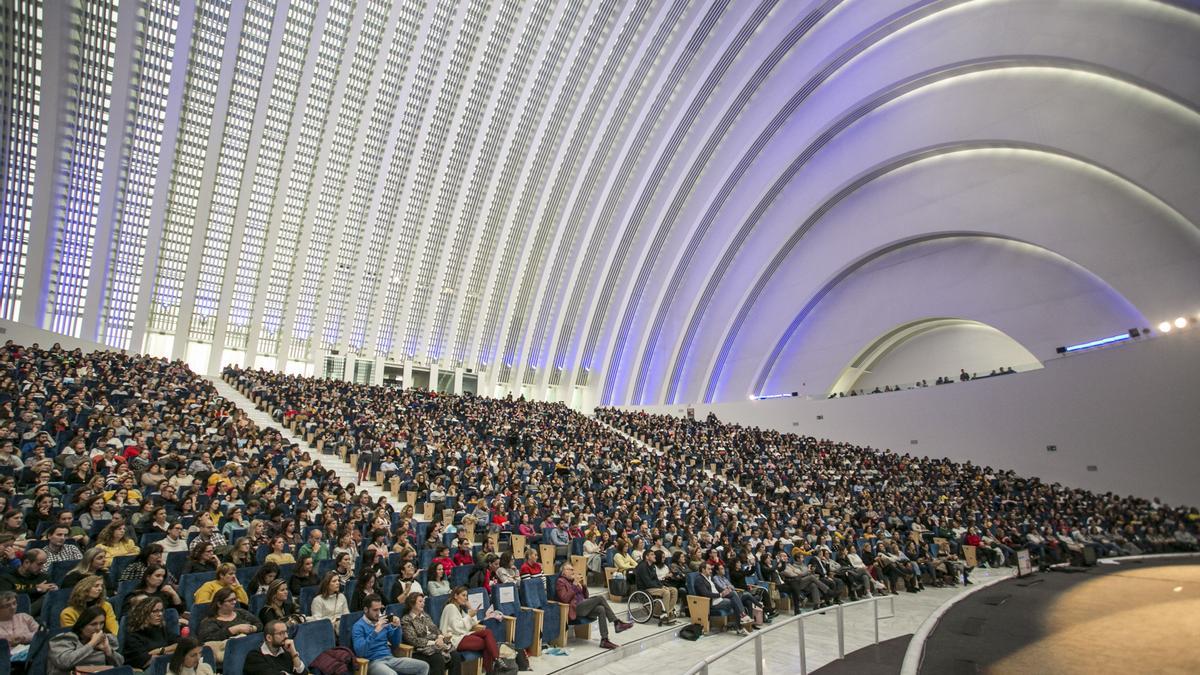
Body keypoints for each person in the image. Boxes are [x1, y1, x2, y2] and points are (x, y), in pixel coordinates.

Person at [554, 562, 630, 649]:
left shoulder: (574, 581)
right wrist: (574, 586)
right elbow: (565, 599)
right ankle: (617, 623)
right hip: (575, 608)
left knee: (601, 609)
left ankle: (604, 640)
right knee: (600, 598)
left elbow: (586, 596)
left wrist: (583, 586)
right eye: (570, 569)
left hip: (583, 606)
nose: (572, 571)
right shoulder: (561, 582)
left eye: (573, 569)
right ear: (563, 572)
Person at [351, 594, 429, 675]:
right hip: (373, 662)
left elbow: (396, 644)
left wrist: (397, 627)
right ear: (366, 609)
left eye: (380, 609)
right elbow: (360, 652)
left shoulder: (383, 621)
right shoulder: (358, 626)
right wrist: (376, 631)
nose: (378, 613)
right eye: (375, 610)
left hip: (390, 658)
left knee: (423, 666)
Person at [438, 586, 500, 674]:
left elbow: (473, 623)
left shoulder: (459, 608)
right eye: (463, 595)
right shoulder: (450, 607)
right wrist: (469, 616)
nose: (466, 598)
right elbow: (457, 628)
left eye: (466, 596)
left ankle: (496, 662)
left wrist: (471, 608)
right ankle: (494, 667)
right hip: (454, 639)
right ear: (456, 596)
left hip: (463, 635)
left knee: (488, 633)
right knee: (487, 644)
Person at [48, 605, 123, 675]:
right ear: (82, 626)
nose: (98, 628)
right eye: (93, 624)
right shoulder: (65, 639)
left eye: (101, 623)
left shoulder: (106, 640)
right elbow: (64, 663)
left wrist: (108, 651)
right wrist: (92, 644)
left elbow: (119, 666)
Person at [198, 586, 262, 663]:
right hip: (229, 652)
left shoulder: (241, 612)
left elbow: (259, 624)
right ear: (219, 604)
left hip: (250, 647)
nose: (234, 602)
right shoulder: (209, 621)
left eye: (235, 599)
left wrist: (252, 628)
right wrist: (234, 629)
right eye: (230, 600)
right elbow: (208, 639)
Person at [399, 593, 459, 675]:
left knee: (455, 655)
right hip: (419, 650)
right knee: (438, 658)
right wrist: (434, 643)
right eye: (420, 601)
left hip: (435, 645)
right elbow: (413, 640)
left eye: (423, 601)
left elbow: (436, 630)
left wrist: (440, 638)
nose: (423, 603)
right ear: (411, 604)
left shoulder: (425, 616)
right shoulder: (406, 620)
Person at [694, 562, 755, 634]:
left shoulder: (710, 577)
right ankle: (740, 623)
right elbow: (705, 594)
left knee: (733, 594)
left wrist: (725, 591)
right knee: (734, 602)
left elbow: (717, 587)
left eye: (711, 569)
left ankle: (741, 618)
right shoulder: (699, 579)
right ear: (703, 570)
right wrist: (720, 595)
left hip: (718, 599)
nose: (711, 571)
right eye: (709, 569)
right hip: (710, 602)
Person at [124, 595, 178, 669]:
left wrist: (159, 651)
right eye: (155, 611)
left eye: (161, 610)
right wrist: (170, 651)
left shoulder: (161, 628)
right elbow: (146, 661)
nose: (160, 614)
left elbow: (181, 644)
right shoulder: (134, 636)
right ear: (143, 613)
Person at [0, 547, 56, 615]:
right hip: (15, 613)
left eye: (43, 564)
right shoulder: (7, 577)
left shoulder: (44, 577)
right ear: (26, 562)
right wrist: (37, 589)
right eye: (39, 564)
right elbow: (6, 597)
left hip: (39, 614)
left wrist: (54, 589)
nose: (42, 568)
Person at [633, 550, 678, 624]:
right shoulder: (642, 567)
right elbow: (648, 583)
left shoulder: (653, 566)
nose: (654, 556)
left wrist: (662, 586)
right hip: (646, 589)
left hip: (654, 587)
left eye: (654, 554)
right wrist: (661, 588)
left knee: (674, 590)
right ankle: (664, 616)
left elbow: (656, 579)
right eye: (652, 554)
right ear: (647, 557)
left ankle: (668, 612)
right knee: (666, 592)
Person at [0, 590, 38, 658]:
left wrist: (23, 637)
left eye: (14, 603)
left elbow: (42, 634)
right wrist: (6, 641)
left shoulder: (24, 617)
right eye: (7, 605)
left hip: (29, 654)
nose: (13, 607)